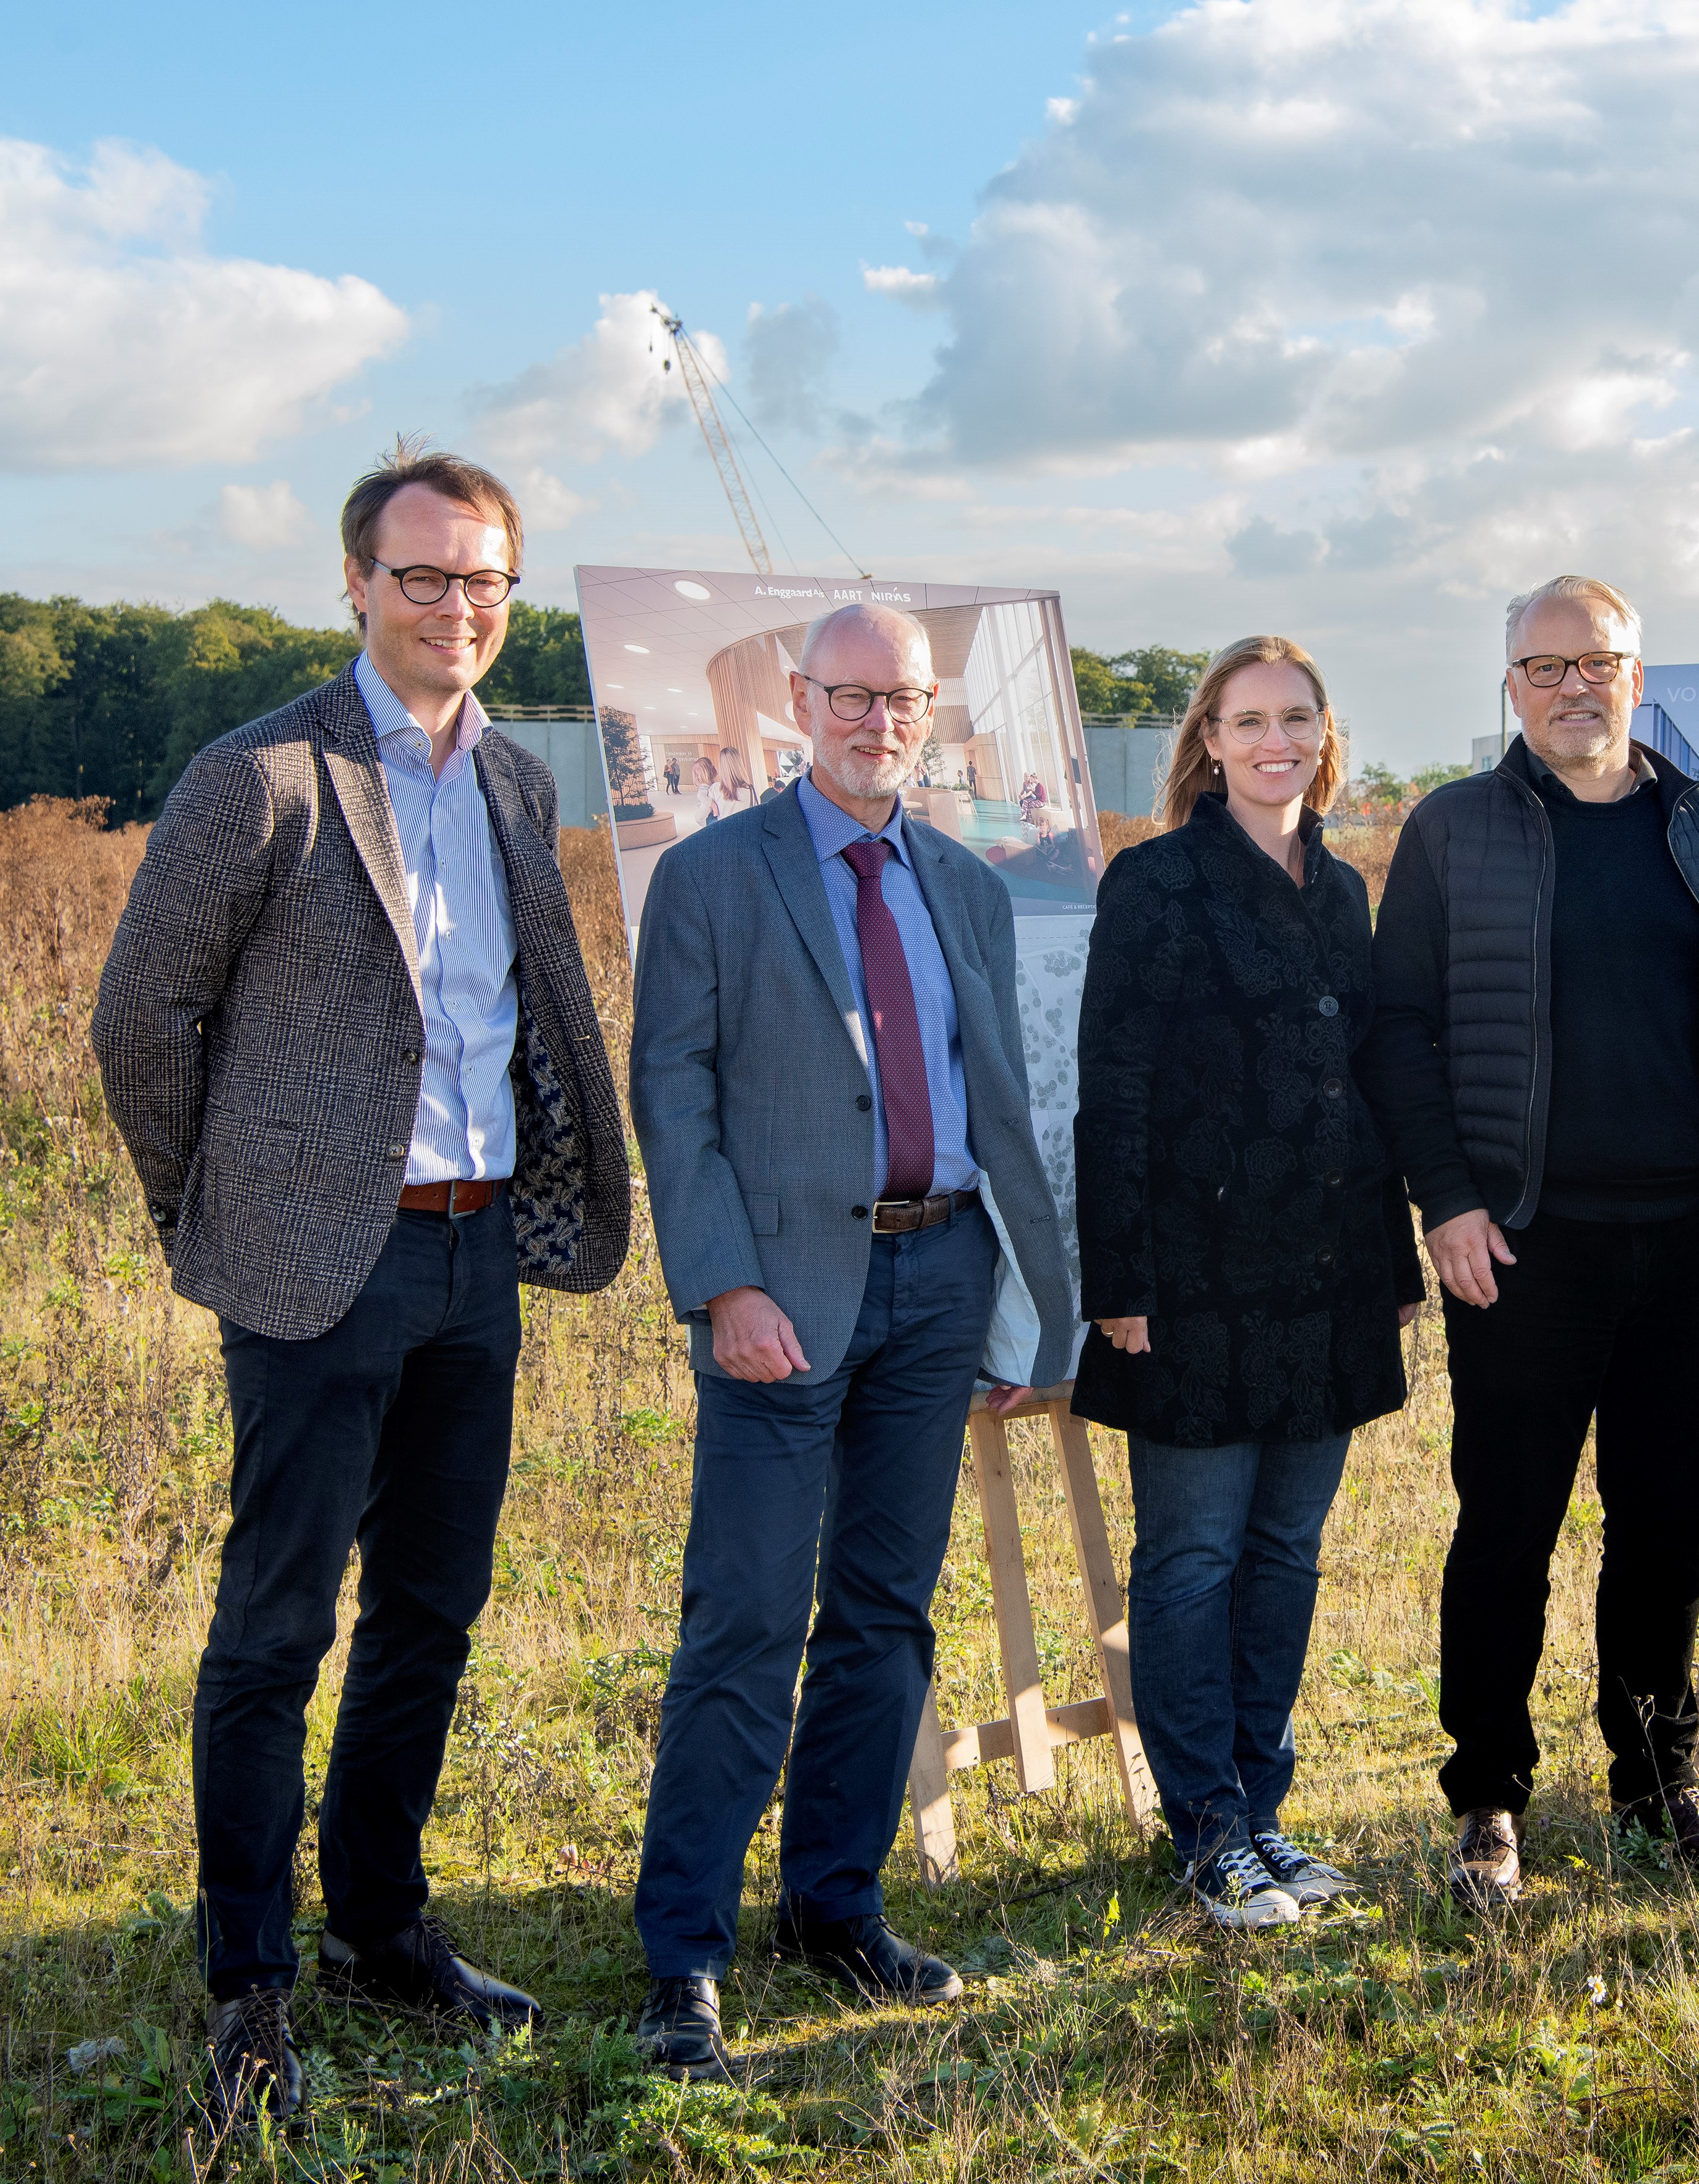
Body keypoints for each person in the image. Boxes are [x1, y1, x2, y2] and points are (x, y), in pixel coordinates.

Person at [90, 444, 634, 2133]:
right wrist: (225, 1210)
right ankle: (249, 1986)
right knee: (274, 1630)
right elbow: (138, 1022)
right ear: (354, 586)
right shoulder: (258, 780)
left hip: (479, 1255)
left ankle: (381, 1931)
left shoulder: (522, 788)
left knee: (431, 1611)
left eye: (484, 581)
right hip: (320, 1266)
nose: (456, 609)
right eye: (423, 577)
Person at [625, 601, 1081, 2076]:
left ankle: (834, 1903)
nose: (880, 717)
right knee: (747, 1620)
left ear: (934, 710)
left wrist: (1027, 1299)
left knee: (885, 1613)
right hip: (783, 1296)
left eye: (906, 697)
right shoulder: (708, 877)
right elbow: (675, 1099)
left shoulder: (970, 882)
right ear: (802, 699)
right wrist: (720, 1285)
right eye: (853, 693)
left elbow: (996, 1099)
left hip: (941, 1282)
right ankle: (684, 1953)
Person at [1358, 575, 1699, 1912]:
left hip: (1693, 1242)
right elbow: (1398, 1032)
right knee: (1508, 1523)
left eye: (1594, 661)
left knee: (1666, 1522)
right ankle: (1489, 1798)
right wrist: (1445, 1200)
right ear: (1511, 684)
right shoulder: (1454, 830)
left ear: (1636, 670)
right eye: (1542, 665)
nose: (1570, 685)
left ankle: (1657, 1783)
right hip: (1524, 1244)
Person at [1074, 635, 1424, 1930]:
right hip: (1194, 1282)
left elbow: (1365, 1093)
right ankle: (1205, 1822)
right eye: (1250, 719)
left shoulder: (1342, 889)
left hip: (1328, 1273)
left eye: (1299, 718)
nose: (1278, 739)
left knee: (1286, 1549)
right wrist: (1121, 1279)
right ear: (1209, 741)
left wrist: (1392, 1260)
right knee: (1194, 1554)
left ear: (1327, 736)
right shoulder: (1156, 883)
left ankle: (1264, 1810)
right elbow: (1109, 1091)